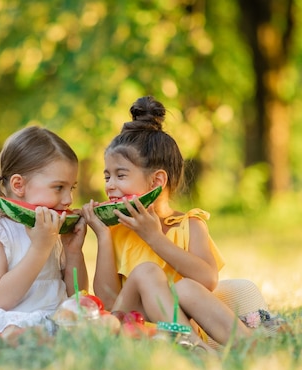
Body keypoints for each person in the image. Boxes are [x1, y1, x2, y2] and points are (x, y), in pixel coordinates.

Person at [81, 96, 253, 351]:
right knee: (146, 272)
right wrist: (103, 236)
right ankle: (193, 349)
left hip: (183, 325)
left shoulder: (191, 225)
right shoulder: (117, 231)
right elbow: (108, 303)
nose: (109, 185)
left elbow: (208, 280)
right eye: (107, 176)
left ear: (157, 181)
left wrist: (154, 237)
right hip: (134, 329)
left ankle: (250, 344)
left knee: (186, 288)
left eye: (120, 175)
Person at [0, 125, 89, 339]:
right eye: (58, 188)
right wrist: (40, 247)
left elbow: (76, 298)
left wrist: (74, 252)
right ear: (19, 185)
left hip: (47, 322)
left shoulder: (48, 227)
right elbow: (2, 298)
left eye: (71, 188)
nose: (68, 200)